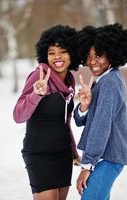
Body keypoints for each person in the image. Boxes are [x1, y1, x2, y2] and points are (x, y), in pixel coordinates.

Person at [13, 25, 80, 200]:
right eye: (51, 52)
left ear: (72, 54)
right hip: (39, 154)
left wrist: (73, 150)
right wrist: (36, 94)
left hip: (63, 154)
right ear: (45, 55)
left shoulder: (70, 81)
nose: (57, 57)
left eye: (63, 51)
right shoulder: (39, 76)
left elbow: (65, 121)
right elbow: (18, 115)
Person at [74, 23, 127, 199]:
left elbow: (101, 126)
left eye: (98, 56)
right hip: (101, 158)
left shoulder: (110, 83)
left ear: (111, 54)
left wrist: (87, 166)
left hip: (107, 159)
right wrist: (84, 106)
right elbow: (80, 121)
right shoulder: (102, 81)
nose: (92, 62)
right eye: (89, 56)